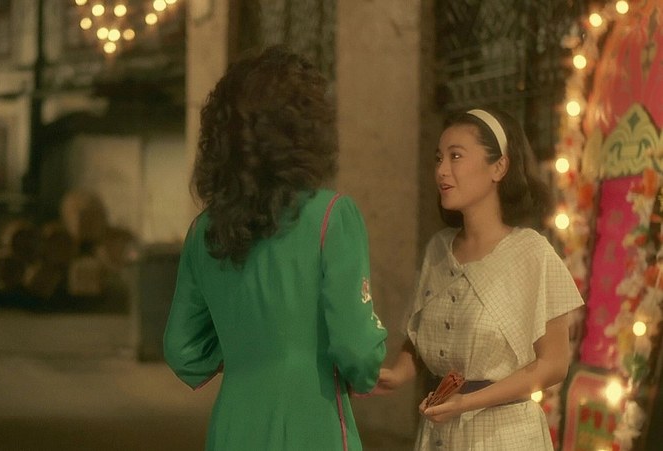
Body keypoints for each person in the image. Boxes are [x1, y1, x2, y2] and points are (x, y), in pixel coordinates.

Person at [163, 45, 387, 451]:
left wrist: (247, 351)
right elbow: (357, 348)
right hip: (311, 423)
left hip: (232, 427)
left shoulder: (204, 231)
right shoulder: (332, 216)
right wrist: (362, 369)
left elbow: (182, 350)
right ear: (305, 130)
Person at [374, 108, 583, 450]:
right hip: (439, 434)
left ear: (499, 167)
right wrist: (395, 374)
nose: (441, 170)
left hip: (504, 436)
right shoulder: (438, 249)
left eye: (456, 156)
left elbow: (554, 364)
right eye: (439, 158)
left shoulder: (531, 254)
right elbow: (420, 333)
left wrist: (468, 402)